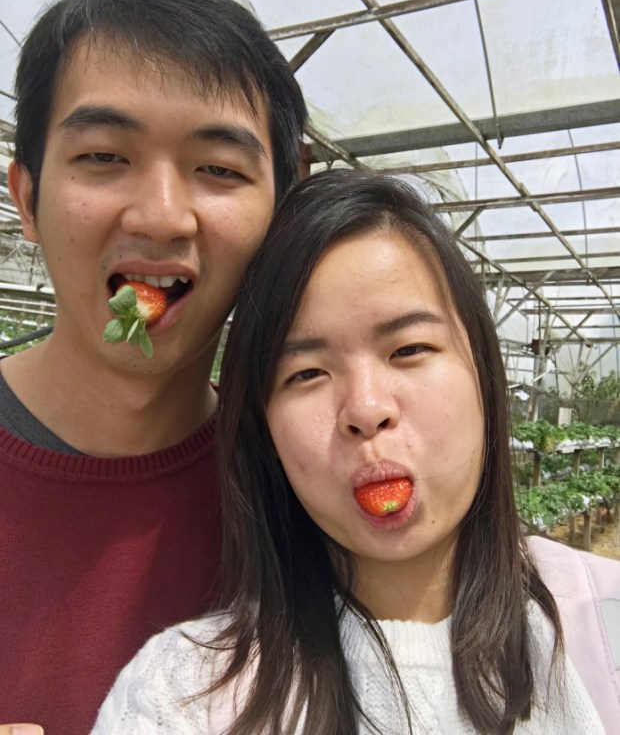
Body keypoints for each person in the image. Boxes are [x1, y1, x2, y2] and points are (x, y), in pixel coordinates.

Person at [92, 169, 619, 733]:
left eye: (410, 348)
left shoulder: (603, 620)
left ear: (483, 377)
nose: (366, 410)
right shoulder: (179, 702)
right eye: (308, 372)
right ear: (263, 427)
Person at [0, 0, 306, 735]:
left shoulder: (306, 491)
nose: (164, 216)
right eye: (104, 157)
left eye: (218, 167)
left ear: (286, 205)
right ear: (27, 197)